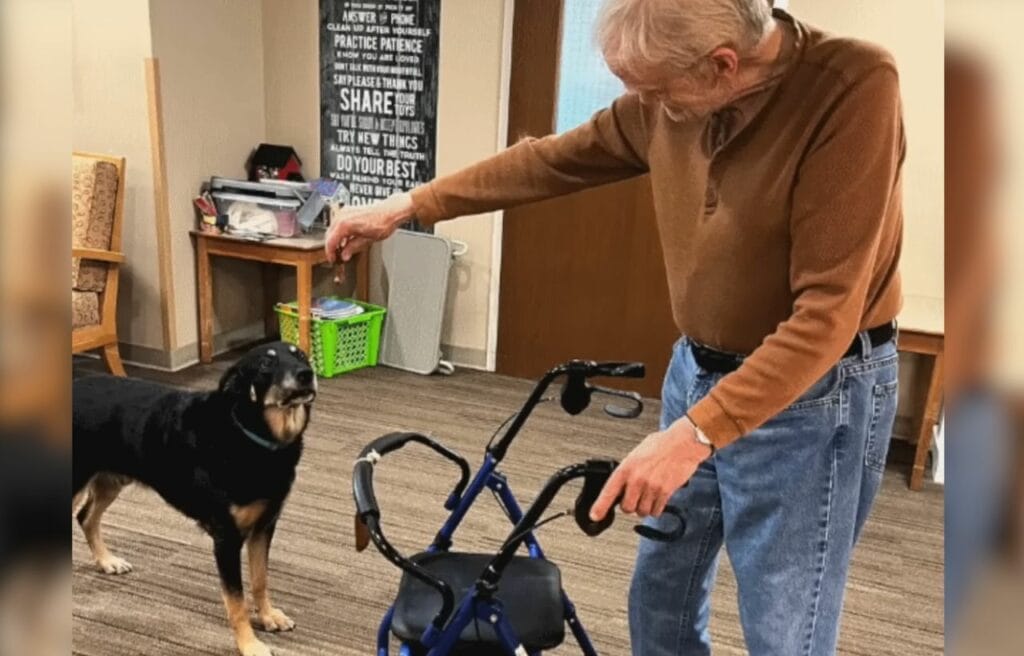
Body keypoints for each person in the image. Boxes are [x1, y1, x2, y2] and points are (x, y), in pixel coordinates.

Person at [326, 1, 905, 653]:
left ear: (722, 65)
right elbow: (551, 160)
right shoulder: (668, 101)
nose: (639, 104)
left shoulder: (851, 91)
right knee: (662, 594)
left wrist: (693, 436)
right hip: (698, 373)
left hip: (811, 396)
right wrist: (410, 205)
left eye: (653, 89)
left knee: (784, 623)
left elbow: (827, 314)